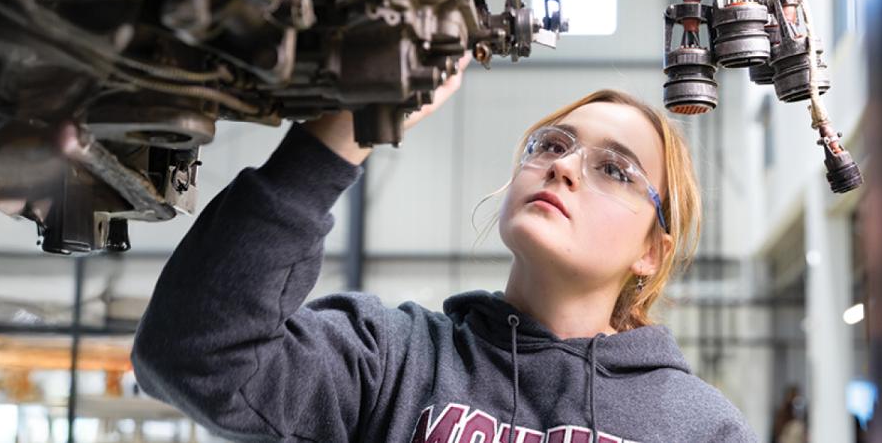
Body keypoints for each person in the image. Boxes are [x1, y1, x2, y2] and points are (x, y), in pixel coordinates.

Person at [131, 53, 756, 442]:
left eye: (615, 170)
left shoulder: (702, 429)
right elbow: (193, 355)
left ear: (652, 251)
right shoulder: (394, 360)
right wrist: (333, 142)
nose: (563, 167)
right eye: (552, 144)